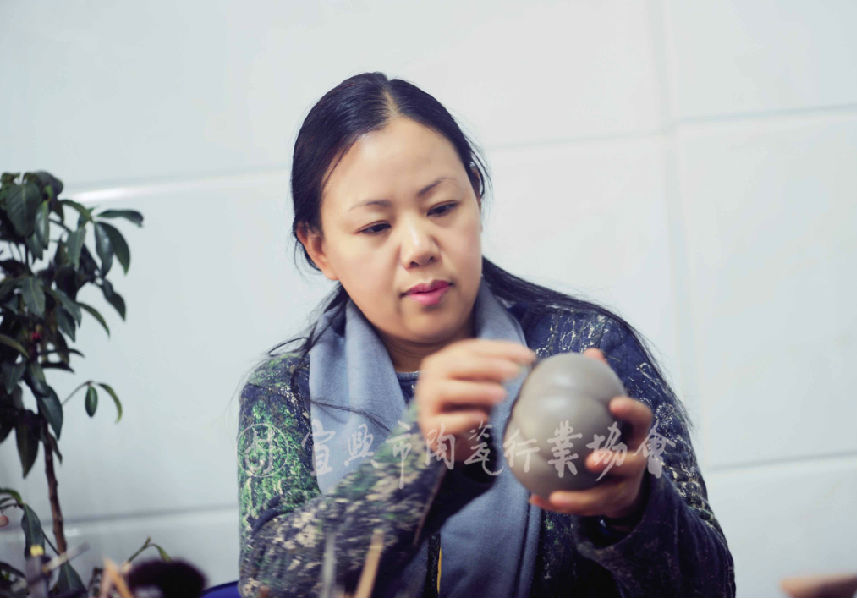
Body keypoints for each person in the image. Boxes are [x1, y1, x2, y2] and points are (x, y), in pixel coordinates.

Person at [237, 72, 735, 598]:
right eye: (376, 227)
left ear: (474, 194)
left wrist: (635, 510)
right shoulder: (286, 392)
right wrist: (413, 467)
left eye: (441, 208)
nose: (419, 247)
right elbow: (267, 585)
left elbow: (713, 589)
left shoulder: (585, 349)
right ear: (318, 248)